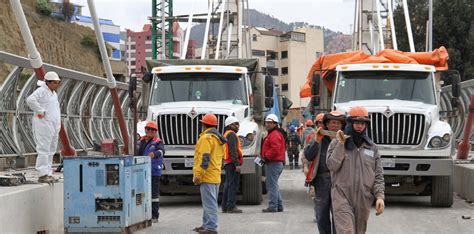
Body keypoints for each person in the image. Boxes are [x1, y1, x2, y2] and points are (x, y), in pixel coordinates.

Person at [327, 106, 385, 234]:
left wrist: (379, 196)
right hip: (341, 196)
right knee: (346, 231)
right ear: (350, 123)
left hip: (363, 199)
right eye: (357, 122)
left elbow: (378, 175)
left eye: (363, 123)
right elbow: (332, 165)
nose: (360, 126)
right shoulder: (337, 143)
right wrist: (341, 145)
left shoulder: (372, 148)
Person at [305, 111, 345, 234]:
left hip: (340, 182)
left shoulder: (345, 139)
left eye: (338, 123)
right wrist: (316, 141)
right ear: (326, 124)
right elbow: (308, 155)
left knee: (338, 216)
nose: (335, 126)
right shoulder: (318, 137)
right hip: (322, 181)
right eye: (332, 123)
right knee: (321, 215)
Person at [192, 114, 227, 234]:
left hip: (207, 176)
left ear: (204, 125)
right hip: (215, 175)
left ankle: (211, 227)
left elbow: (204, 158)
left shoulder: (206, 138)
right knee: (208, 202)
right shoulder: (218, 139)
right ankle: (206, 224)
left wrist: (198, 175)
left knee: (210, 203)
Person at [26, 71, 61, 184]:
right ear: (48, 82)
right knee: (43, 149)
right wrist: (40, 111)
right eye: (55, 82)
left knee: (51, 149)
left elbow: (55, 110)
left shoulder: (53, 93)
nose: (57, 84)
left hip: (53, 126)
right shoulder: (42, 91)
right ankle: (42, 173)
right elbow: (30, 100)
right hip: (43, 125)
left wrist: (58, 125)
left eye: (58, 82)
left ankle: (48, 172)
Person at [136, 121, 164, 223]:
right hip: (142, 172)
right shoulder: (141, 141)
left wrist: (154, 154)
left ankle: (155, 216)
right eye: (148, 129)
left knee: (154, 195)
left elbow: (161, 152)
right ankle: (143, 214)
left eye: (152, 130)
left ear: (155, 131)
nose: (149, 131)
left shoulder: (158, 142)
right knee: (142, 194)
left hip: (154, 172)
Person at [261, 113, 286, 213]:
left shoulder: (274, 134)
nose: (267, 124)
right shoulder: (274, 134)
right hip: (275, 163)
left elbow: (275, 149)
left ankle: (273, 206)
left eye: (269, 123)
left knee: (271, 185)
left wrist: (266, 157)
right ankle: (279, 206)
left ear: (275, 123)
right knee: (274, 184)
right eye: (266, 122)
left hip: (273, 163)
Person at [221, 116, 243, 214]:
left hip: (227, 162)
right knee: (233, 185)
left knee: (228, 185)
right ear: (230, 125)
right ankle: (231, 206)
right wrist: (237, 164)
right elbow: (232, 150)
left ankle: (225, 206)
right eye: (236, 124)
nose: (238, 126)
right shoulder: (231, 135)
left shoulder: (226, 134)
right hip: (231, 163)